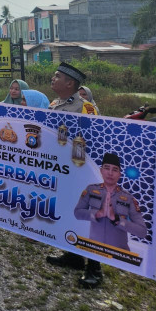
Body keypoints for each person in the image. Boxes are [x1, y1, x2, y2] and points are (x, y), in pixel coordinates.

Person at [44, 62, 103, 289]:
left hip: (81, 172)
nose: (53, 78)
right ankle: (73, 256)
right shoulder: (53, 104)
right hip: (60, 170)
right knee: (68, 213)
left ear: (70, 83)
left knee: (88, 217)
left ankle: (94, 268)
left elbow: (96, 139)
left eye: (57, 76)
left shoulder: (86, 107)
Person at [73, 152, 147, 250]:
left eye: (115, 170)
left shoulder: (128, 198)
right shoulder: (91, 189)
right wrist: (97, 214)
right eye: (107, 168)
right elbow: (77, 213)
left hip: (119, 254)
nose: (110, 173)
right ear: (101, 170)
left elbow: (142, 231)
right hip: (94, 249)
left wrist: (116, 219)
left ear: (119, 174)